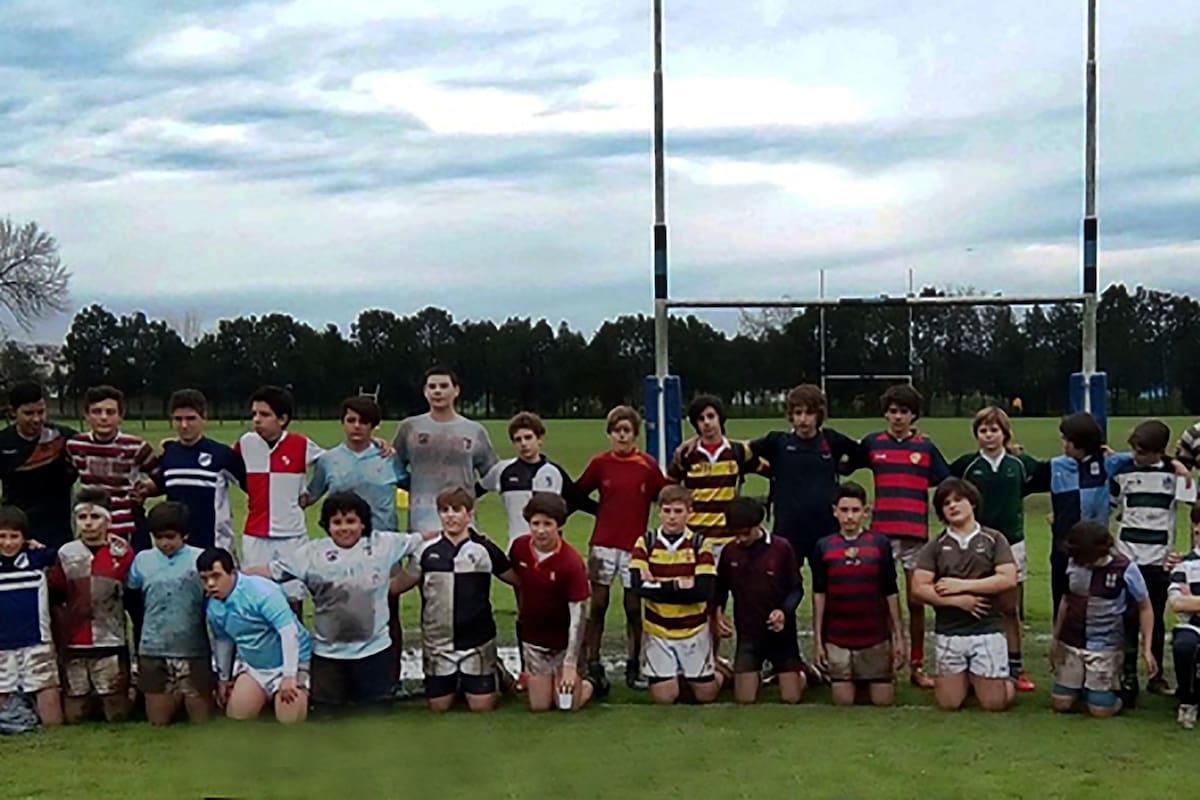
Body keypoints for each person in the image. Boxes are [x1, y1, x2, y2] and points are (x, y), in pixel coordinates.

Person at [257, 492, 425, 714]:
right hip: (328, 655)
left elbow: (421, 542)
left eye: (351, 521)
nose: (344, 528)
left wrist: (408, 577)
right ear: (327, 525)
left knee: (377, 718)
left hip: (375, 652)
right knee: (327, 719)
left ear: (363, 523)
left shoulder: (382, 544)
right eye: (337, 522)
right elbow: (271, 571)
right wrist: (233, 577)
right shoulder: (311, 554)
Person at [851, 384, 950, 689]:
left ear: (913, 415)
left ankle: (917, 665)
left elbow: (946, 480)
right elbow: (846, 462)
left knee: (916, 599)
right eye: (893, 411)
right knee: (880, 600)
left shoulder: (925, 447)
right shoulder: (872, 443)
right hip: (880, 535)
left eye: (903, 412)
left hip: (915, 535)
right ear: (885, 413)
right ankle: (883, 662)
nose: (897, 417)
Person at [394, 486, 517, 712]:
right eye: (444, 510)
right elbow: (401, 584)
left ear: (469, 514)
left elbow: (516, 579)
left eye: (457, 510)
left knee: (481, 707)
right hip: (438, 643)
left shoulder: (484, 549)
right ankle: (461, 681)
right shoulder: (425, 551)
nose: (450, 515)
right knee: (439, 707)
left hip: (477, 642)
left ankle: (496, 672)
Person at [576, 405, 672, 692]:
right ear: (609, 434)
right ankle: (593, 662)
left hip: (636, 546)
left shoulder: (646, 465)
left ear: (635, 435)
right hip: (603, 544)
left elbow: (665, 494)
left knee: (633, 606)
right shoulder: (600, 463)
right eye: (616, 431)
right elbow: (577, 492)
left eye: (626, 431)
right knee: (599, 604)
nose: (621, 436)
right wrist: (600, 511)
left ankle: (635, 664)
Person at [948, 406, 1040, 691]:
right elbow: (942, 479)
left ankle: (1015, 667)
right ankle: (973, 665)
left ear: (1005, 433)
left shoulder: (1020, 464)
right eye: (983, 431)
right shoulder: (966, 465)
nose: (989, 436)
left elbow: (1045, 477)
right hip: (977, 543)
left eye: (994, 430)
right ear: (976, 435)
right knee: (976, 603)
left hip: (1013, 543)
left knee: (1010, 608)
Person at [911, 478, 1018, 712]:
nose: (952, 506)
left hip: (987, 630)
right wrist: (958, 601)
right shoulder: (936, 544)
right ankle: (970, 678)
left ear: (972, 503)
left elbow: (1007, 578)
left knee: (994, 704)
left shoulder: (993, 538)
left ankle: (1002, 679)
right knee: (949, 703)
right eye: (946, 503)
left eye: (958, 500)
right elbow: (919, 587)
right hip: (950, 631)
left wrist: (962, 586)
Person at [747, 384, 858, 571]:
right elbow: (743, 451)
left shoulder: (831, 440)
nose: (803, 419)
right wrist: (764, 469)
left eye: (809, 413)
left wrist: (844, 468)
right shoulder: (778, 441)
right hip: (788, 529)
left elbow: (862, 452)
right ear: (791, 415)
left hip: (825, 530)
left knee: (827, 587)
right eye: (798, 413)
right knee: (785, 588)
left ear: (819, 415)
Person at [811, 482, 903, 707]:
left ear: (865, 511)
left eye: (855, 510)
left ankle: (866, 675)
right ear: (835, 511)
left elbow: (890, 591)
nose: (849, 517)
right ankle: (838, 675)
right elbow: (819, 594)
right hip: (838, 638)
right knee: (843, 701)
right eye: (844, 510)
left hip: (875, 637)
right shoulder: (824, 546)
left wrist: (899, 637)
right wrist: (818, 641)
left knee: (882, 701)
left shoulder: (880, 544)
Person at [1050, 521, 1154, 718]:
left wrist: (1146, 648)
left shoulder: (1125, 568)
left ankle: (1117, 692)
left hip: (1105, 645)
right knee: (1061, 704)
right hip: (1072, 641)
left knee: (1100, 710)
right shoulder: (1073, 564)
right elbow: (1066, 600)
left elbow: (1145, 606)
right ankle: (1083, 687)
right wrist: (1056, 639)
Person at [630, 485, 723, 705]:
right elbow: (636, 587)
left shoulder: (701, 544)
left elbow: (702, 591)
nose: (672, 517)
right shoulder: (647, 542)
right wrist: (678, 585)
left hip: (693, 630)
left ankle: (719, 671)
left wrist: (657, 586)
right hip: (658, 631)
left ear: (690, 512)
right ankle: (679, 677)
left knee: (705, 696)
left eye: (678, 511)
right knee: (665, 698)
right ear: (659, 511)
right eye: (667, 510)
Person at [48, 488, 134, 723]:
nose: (88, 524)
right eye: (82, 517)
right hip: (75, 640)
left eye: (94, 517)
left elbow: (132, 597)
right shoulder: (66, 553)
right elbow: (55, 596)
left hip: (111, 638)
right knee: (76, 713)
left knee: (115, 711)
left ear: (108, 520)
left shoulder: (122, 552)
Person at [235, 385, 323, 614]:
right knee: (255, 595)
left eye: (264, 415)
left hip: (291, 534)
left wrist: (313, 493)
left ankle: (296, 647)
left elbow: (332, 464)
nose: (257, 420)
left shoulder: (301, 444)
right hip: (255, 533)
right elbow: (226, 467)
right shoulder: (246, 443)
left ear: (282, 419)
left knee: (293, 597)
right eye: (254, 414)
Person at [199, 547, 311, 724]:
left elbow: (289, 632)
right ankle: (265, 698)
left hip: (289, 663)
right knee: (237, 716)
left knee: (290, 721)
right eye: (205, 579)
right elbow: (223, 641)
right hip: (255, 668)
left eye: (216, 576)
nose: (210, 584)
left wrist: (289, 676)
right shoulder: (213, 607)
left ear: (232, 573)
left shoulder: (262, 592)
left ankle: (295, 693)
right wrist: (223, 680)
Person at [1111, 419, 1181, 701]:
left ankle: (1156, 675)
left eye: (1142, 452)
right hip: (1128, 558)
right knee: (1127, 616)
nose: (1136, 457)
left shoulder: (1174, 475)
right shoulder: (1124, 471)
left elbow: (1193, 502)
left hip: (1159, 561)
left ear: (1159, 451)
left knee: (1156, 616)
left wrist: (1182, 467)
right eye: (1134, 451)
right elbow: (1111, 504)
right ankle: (1127, 674)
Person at [126, 502, 212, 725]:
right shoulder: (142, 560)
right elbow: (133, 595)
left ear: (185, 534)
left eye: (171, 537)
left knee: (201, 719)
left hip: (194, 647)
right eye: (159, 537)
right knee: (158, 721)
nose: (165, 543)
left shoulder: (200, 559)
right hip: (153, 647)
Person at [714, 496, 806, 704]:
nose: (740, 538)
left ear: (758, 525)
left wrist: (783, 611)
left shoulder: (781, 548)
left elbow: (796, 589)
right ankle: (742, 674)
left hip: (781, 634)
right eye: (735, 533)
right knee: (744, 699)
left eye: (745, 533)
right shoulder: (730, 552)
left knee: (791, 697)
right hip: (749, 634)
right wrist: (718, 612)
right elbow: (721, 588)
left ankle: (803, 673)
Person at [508, 493, 593, 712]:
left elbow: (578, 613)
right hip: (534, 640)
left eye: (548, 524)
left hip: (564, 644)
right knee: (540, 706)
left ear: (559, 525)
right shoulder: (519, 548)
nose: (541, 530)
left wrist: (570, 663)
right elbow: (514, 579)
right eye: (535, 524)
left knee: (567, 705)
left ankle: (590, 682)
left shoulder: (571, 562)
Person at [391, 366, 498, 534]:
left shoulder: (474, 430)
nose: (437, 391)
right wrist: (416, 486)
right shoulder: (410, 428)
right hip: (421, 524)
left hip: (463, 524)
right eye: (432, 387)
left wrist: (467, 495)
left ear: (456, 391)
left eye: (443, 386)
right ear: (425, 392)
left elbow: (492, 472)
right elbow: (393, 468)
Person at [669, 394, 764, 566]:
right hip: (697, 536)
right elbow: (669, 488)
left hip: (730, 536)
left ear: (720, 418)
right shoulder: (686, 455)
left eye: (711, 416)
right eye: (701, 419)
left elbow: (767, 468)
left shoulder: (738, 451)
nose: (707, 422)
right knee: (702, 590)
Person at [147, 389, 246, 551]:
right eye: (178, 419)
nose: (184, 425)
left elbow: (252, 486)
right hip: (177, 547)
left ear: (204, 418)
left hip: (214, 546)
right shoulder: (168, 453)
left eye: (191, 418)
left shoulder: (222, 454)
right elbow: (162, 485)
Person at [480, 411, 595, 546]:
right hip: (517, 549)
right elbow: (472, 492)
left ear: (539, 439)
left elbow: (579, 501)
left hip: (550, 549)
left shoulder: (554, 472)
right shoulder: (502, 470)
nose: (523, 444)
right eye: (518, 439)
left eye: (528, 437)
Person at [65, 385, 158, 549]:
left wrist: (146, 490)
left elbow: (161, 476)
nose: (103, 417)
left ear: (120, 416)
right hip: (91, 527)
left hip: (126, 525)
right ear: (86, 415)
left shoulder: (135, 446)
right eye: (96, 411)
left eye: (110, 412)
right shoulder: (75, 445)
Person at [303, 396, 407, 533]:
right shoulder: (328, 460)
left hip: (384, 539)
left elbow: (417, 488)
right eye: (351, 420)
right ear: (342, 423)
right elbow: (310, 497)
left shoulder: (388, 457)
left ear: (373, 425)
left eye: (364, 421)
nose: (357, 426)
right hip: (343, 539)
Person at [0, 505, 63, 725]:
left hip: (37, 640)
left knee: (46, 690)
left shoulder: (37, 558)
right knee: (3, 691)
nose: (8, 543)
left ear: (24, 538)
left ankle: (52, 734)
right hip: (2, 643)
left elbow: (59, 555)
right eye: (2, 536)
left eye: (14, 536)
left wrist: (37, 546)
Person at [0, 381, 77, 549]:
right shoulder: (3, 443)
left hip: (59, 529)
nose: (36, 419)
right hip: (17, 532)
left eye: (41, 412)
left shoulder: (63, 437)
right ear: (13, 412)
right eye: (28, 413)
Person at [1168, 505, 1200, 729]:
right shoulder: (1184, 565)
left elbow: (1187, 602)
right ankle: (1188, 701)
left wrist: (1195, 601)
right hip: (1194, 627)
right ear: (1196, 528)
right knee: (1185, 644)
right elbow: (1177, 603)